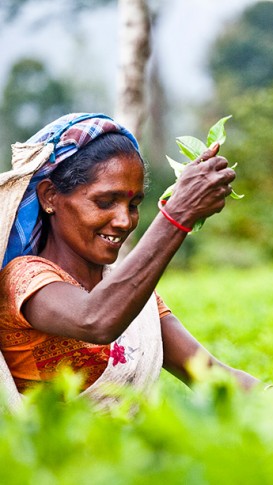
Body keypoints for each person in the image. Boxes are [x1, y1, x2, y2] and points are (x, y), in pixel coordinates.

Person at [0, 113, 259, 408]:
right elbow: (95, 320)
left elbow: (212, 375)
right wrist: (178, 216)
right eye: (105, 202)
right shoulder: (23, 279)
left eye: (133, 204)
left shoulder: (134, 299)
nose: (124, 220)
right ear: (49, 197)